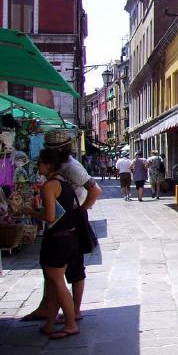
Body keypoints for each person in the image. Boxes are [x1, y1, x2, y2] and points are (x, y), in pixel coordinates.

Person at [21, 130, 102, 325]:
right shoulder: (61, 167)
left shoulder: (71, 167)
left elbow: (95, 190)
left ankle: (73, 312)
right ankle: (48, 309)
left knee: (72, 270)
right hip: (61, 221)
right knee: (52, 269)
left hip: (68, 223)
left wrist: (80, 211)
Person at [25, 148, 80, 339]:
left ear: (48, 165)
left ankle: (71, 324)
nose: (37, 166)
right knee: (56, 282)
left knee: (56, 281)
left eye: (39, 162)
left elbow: (49, 217)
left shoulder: (49, 186)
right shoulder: (64, 182)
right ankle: (50, 323)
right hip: (69, 237)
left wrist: (29, 211)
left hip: (57, 239)